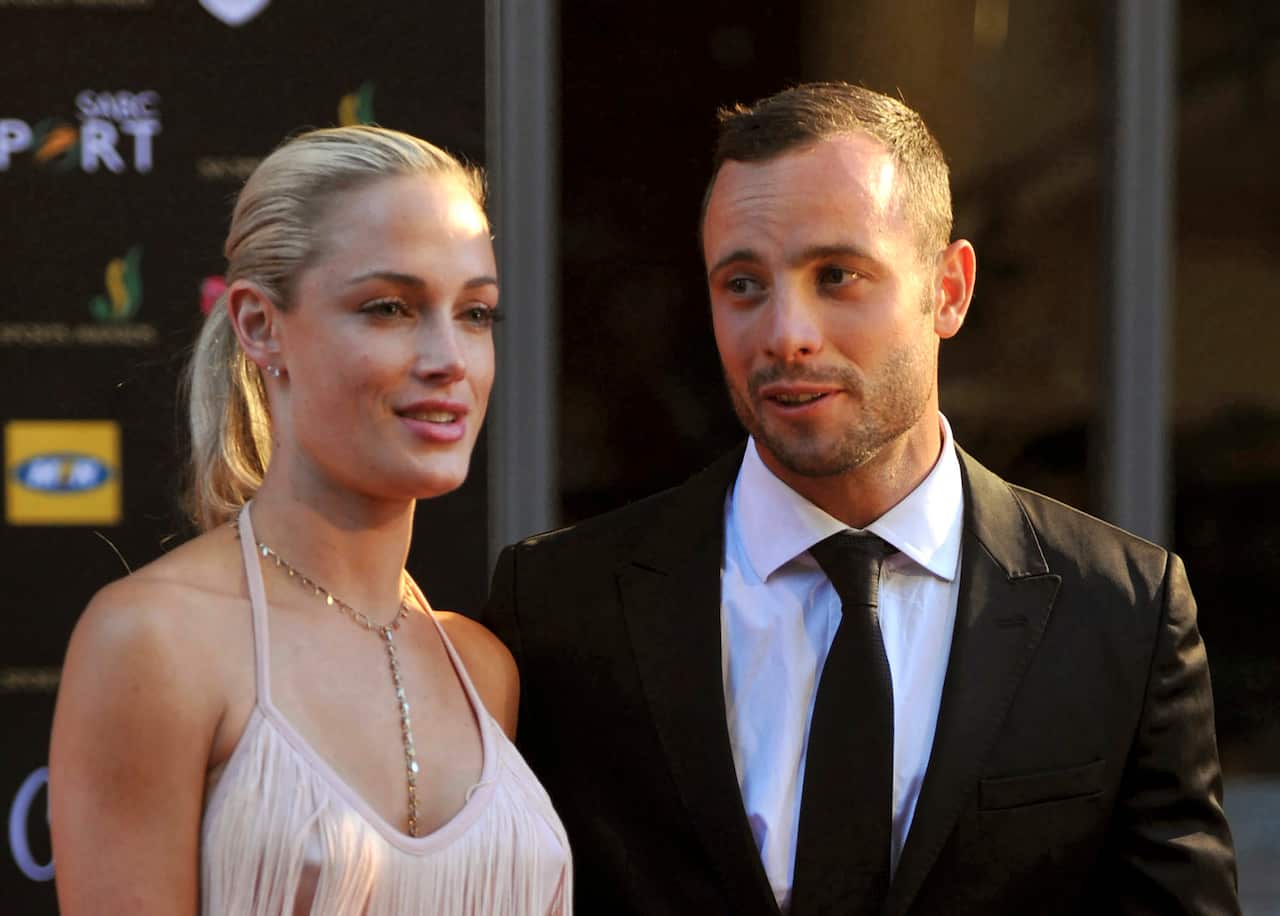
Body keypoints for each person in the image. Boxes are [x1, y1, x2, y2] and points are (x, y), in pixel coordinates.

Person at [481, 83, 1238, 914]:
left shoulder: (1122, 611)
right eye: (743, 284)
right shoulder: (560, 608)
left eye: (837, 275)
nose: (784, 333)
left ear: (948, 289)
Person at [49, 125, 571, 915]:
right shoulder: (155, 641)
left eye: (475, 313)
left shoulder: (482, 668)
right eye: (390, 307)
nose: (448, 359)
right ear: (260, 325)